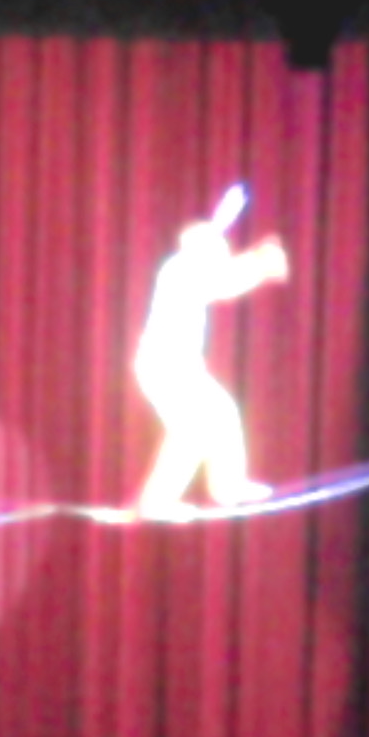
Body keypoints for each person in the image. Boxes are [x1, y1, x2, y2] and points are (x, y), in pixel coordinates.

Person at [134, 185, 288, 518]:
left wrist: (257, 264)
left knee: (223, 414)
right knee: (190, 430)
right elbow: (225, 282)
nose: (225, 254)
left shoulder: (190, 267)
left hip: (184, 368)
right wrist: (261, 263)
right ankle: (155, 503)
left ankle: (227, 486)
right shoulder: (179, 270)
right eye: (220, 250)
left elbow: (224, 277)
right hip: (163, 366)